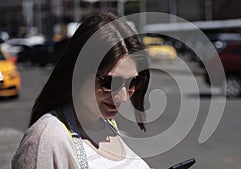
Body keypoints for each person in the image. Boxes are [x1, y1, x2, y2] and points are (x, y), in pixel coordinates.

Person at [12, 10, 151, 169]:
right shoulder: (48, 138)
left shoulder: (106, 122)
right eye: (109, 82)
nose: (123, 97)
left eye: (133, 82)